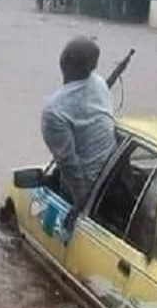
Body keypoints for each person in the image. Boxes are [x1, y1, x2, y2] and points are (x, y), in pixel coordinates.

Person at [41, 36, 116, 206]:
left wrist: (81, 203)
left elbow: (69, 163)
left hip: (87, 191)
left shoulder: (54, 110)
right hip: (113, 178)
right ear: (93, 66)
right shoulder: (100, 84)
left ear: (63, 61)